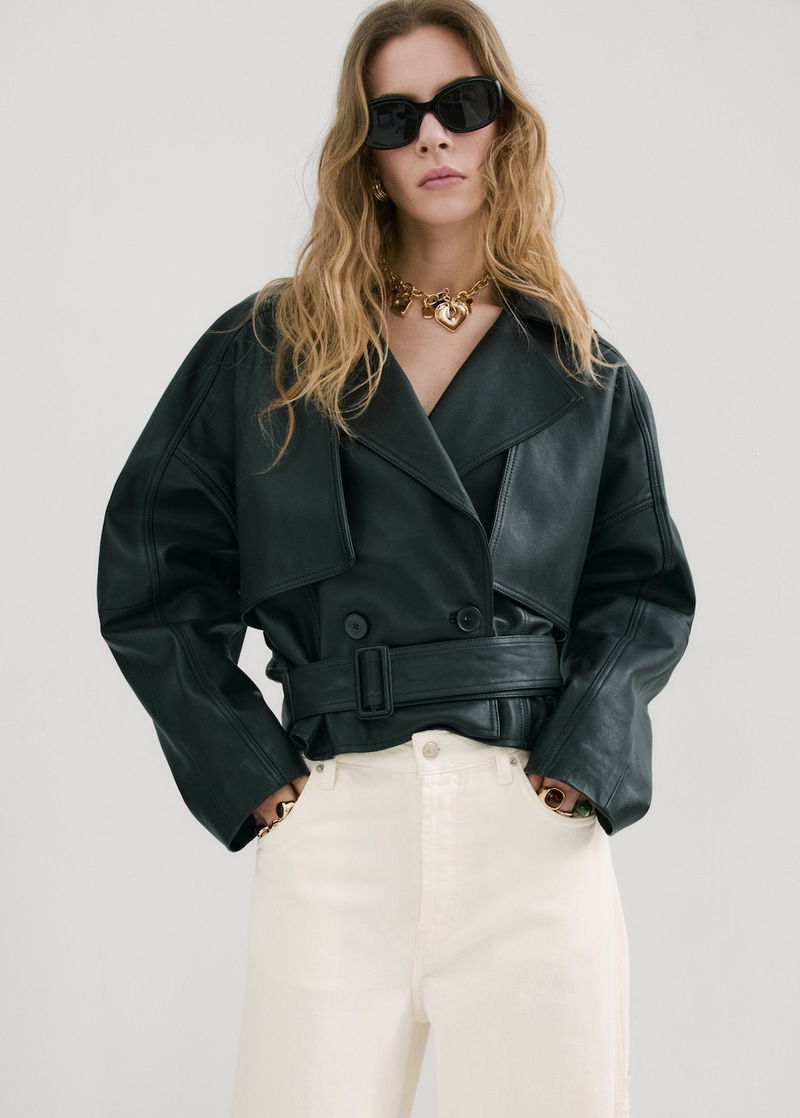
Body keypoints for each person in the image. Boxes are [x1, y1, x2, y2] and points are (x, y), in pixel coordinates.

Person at [96, 1, 696, 1115]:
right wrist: (252, 770)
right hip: (337, 825)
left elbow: (642, 595)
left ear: (502, 127)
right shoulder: (267, 350)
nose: (432, 134)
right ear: (362, 150)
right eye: (396, 114)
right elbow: (151, 572)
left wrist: (583, 758)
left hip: (529, 830)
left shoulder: (583, 372)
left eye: (461, 104)